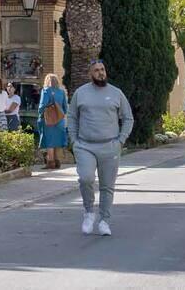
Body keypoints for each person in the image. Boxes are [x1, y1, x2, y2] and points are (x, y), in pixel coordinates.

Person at [67, 60, 133, 237]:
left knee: (107, 187)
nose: (100, 73)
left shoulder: (116, 93)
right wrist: (74, 141)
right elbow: (72, 117)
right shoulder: (81, 93)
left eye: (103, 69)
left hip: (110, 145)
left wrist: (121, 140)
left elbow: (128, 118)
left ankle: (104, 220)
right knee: (86, 178)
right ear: (90, 73)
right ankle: (89, 212)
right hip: (85, 145)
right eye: (96, 70)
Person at [36, 74, 68, 169]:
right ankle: (57, 161)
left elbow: (42, 105)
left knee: (49, 141)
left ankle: (51, 162)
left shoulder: (46, 91)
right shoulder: (61, 92)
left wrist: (40, 113)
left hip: (49, 119)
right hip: (60, 120)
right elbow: (65, 108)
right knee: (57, 140)